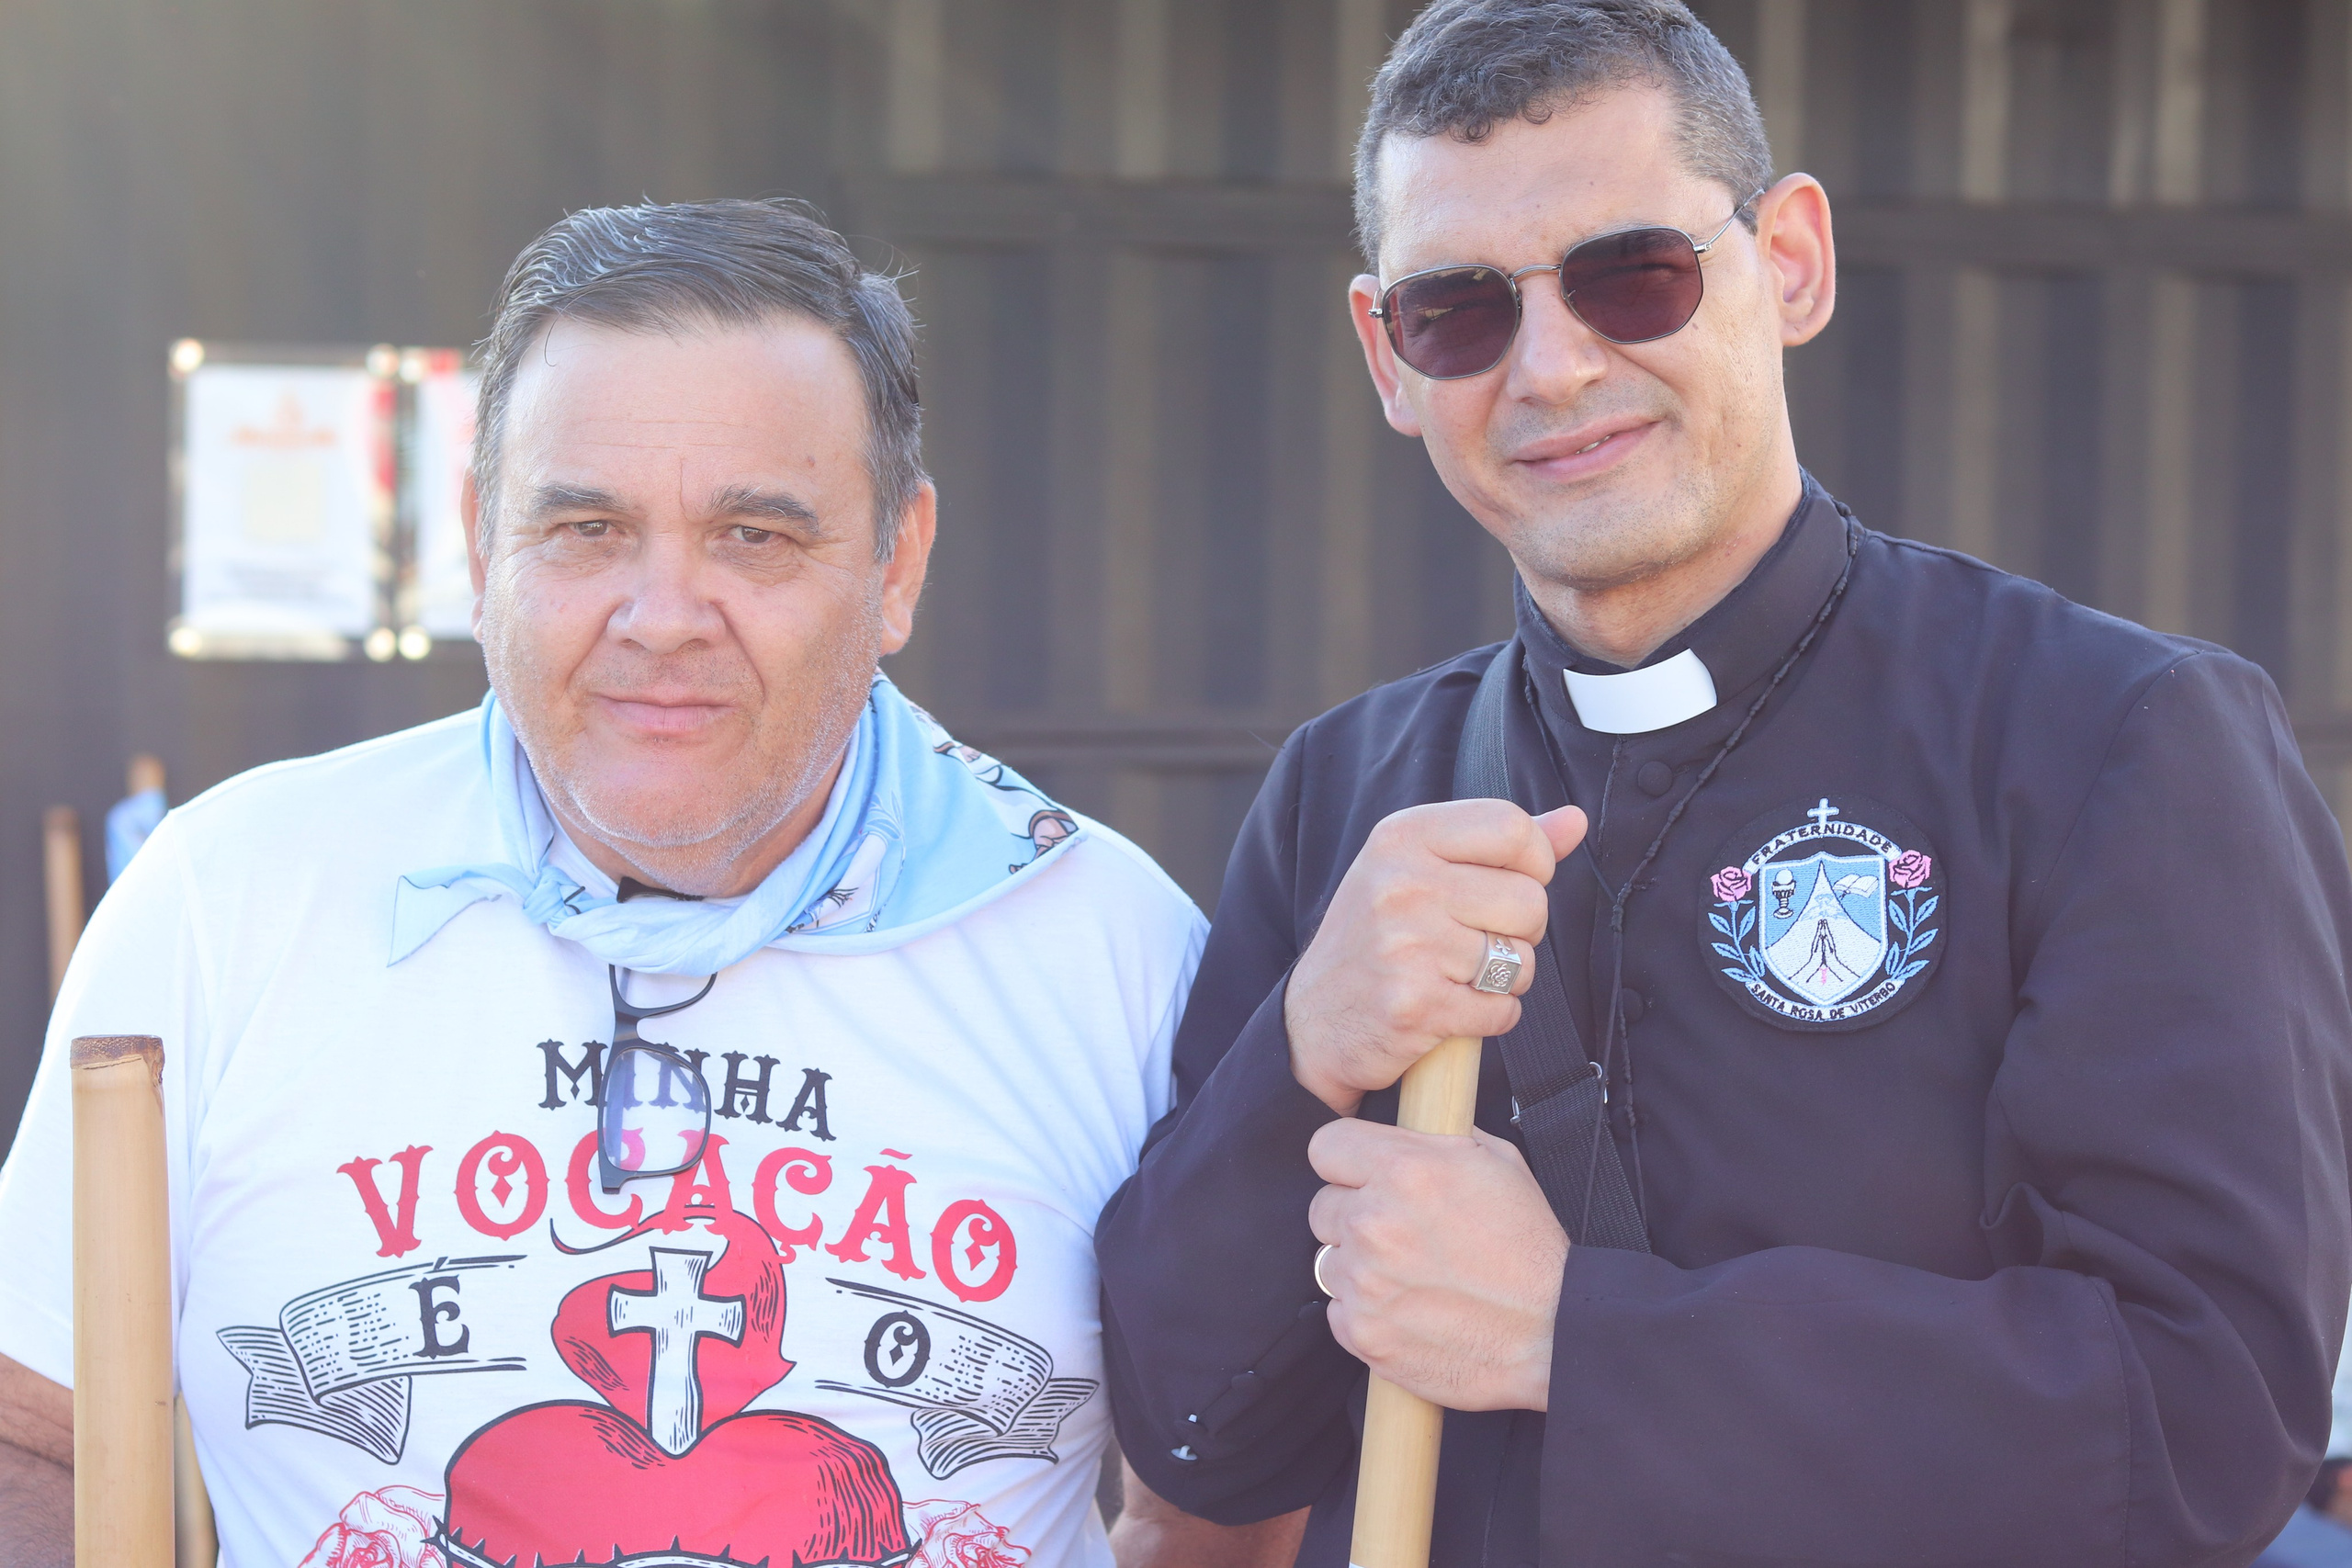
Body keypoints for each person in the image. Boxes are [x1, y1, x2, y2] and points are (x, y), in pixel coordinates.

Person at [1094, 4, 2352, 1564]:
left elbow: (2208, 1423)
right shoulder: (1352, 790)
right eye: (1457, 312)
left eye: (1635, 274)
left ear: (1792, 261)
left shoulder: (2115, 741)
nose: (1552, 368)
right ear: (1387, 357)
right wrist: (1302, 1057)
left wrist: (1577, 1333)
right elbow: (1192, 1435)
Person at [0, 197, 1225, 1568]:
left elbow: (1218, 1501)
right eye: (585, 528)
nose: (660, 615)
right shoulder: (229, 902)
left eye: (754, 536)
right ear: (480, 544)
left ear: (899, 564)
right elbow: (38, 1434)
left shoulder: (1110, 949)